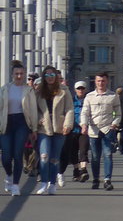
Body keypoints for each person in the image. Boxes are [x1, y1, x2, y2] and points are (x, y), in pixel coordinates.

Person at [33, 67, 73, 195]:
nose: (49, 77)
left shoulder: (64, 90)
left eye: (52, 75)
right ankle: (43, 182)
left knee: (55, 158)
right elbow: (34, 109)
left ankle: (52, 183)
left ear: (56, 76)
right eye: (47, 75)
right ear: (43, 77)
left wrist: (68, 124)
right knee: (44, 156)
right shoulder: (38, 91)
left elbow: (69, 109)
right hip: (43, 128)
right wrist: (39, 120)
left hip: (59, 127)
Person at [1, 60, 38, 197]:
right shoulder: (5, 89)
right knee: (5, 156)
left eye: (21, 74)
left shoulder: (28, 90)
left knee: (17, 154)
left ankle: (16, 185)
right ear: (12, 74)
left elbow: (33, 110)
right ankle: (9, 175)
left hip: (22, 122)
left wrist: (34, 129)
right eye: (16, 74)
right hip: (6, 122)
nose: (19, 76)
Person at [79, 72, 121, 191]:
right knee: (95, 156)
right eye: (98, 81)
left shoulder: (113, 96)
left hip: (107, 129)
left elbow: (118, 113)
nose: (100, 83)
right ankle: (96, 178)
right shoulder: (89, 96)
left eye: (103, 81)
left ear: (107, 81)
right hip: (94, 130)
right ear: (95, 82)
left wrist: (114, 124)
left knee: (108, 154)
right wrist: (84, 125)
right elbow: (85, 112)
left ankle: (107, 180)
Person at [66, 80, 90, 182]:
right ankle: (76, 169)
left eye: (82, 88)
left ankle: (83, 170)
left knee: (83, 150)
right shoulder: (71, 101)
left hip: (84, 130)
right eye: (79, 88)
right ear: (75, 90)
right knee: (73, 151)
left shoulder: (88, 101)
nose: (81, 90)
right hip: (72, 130)